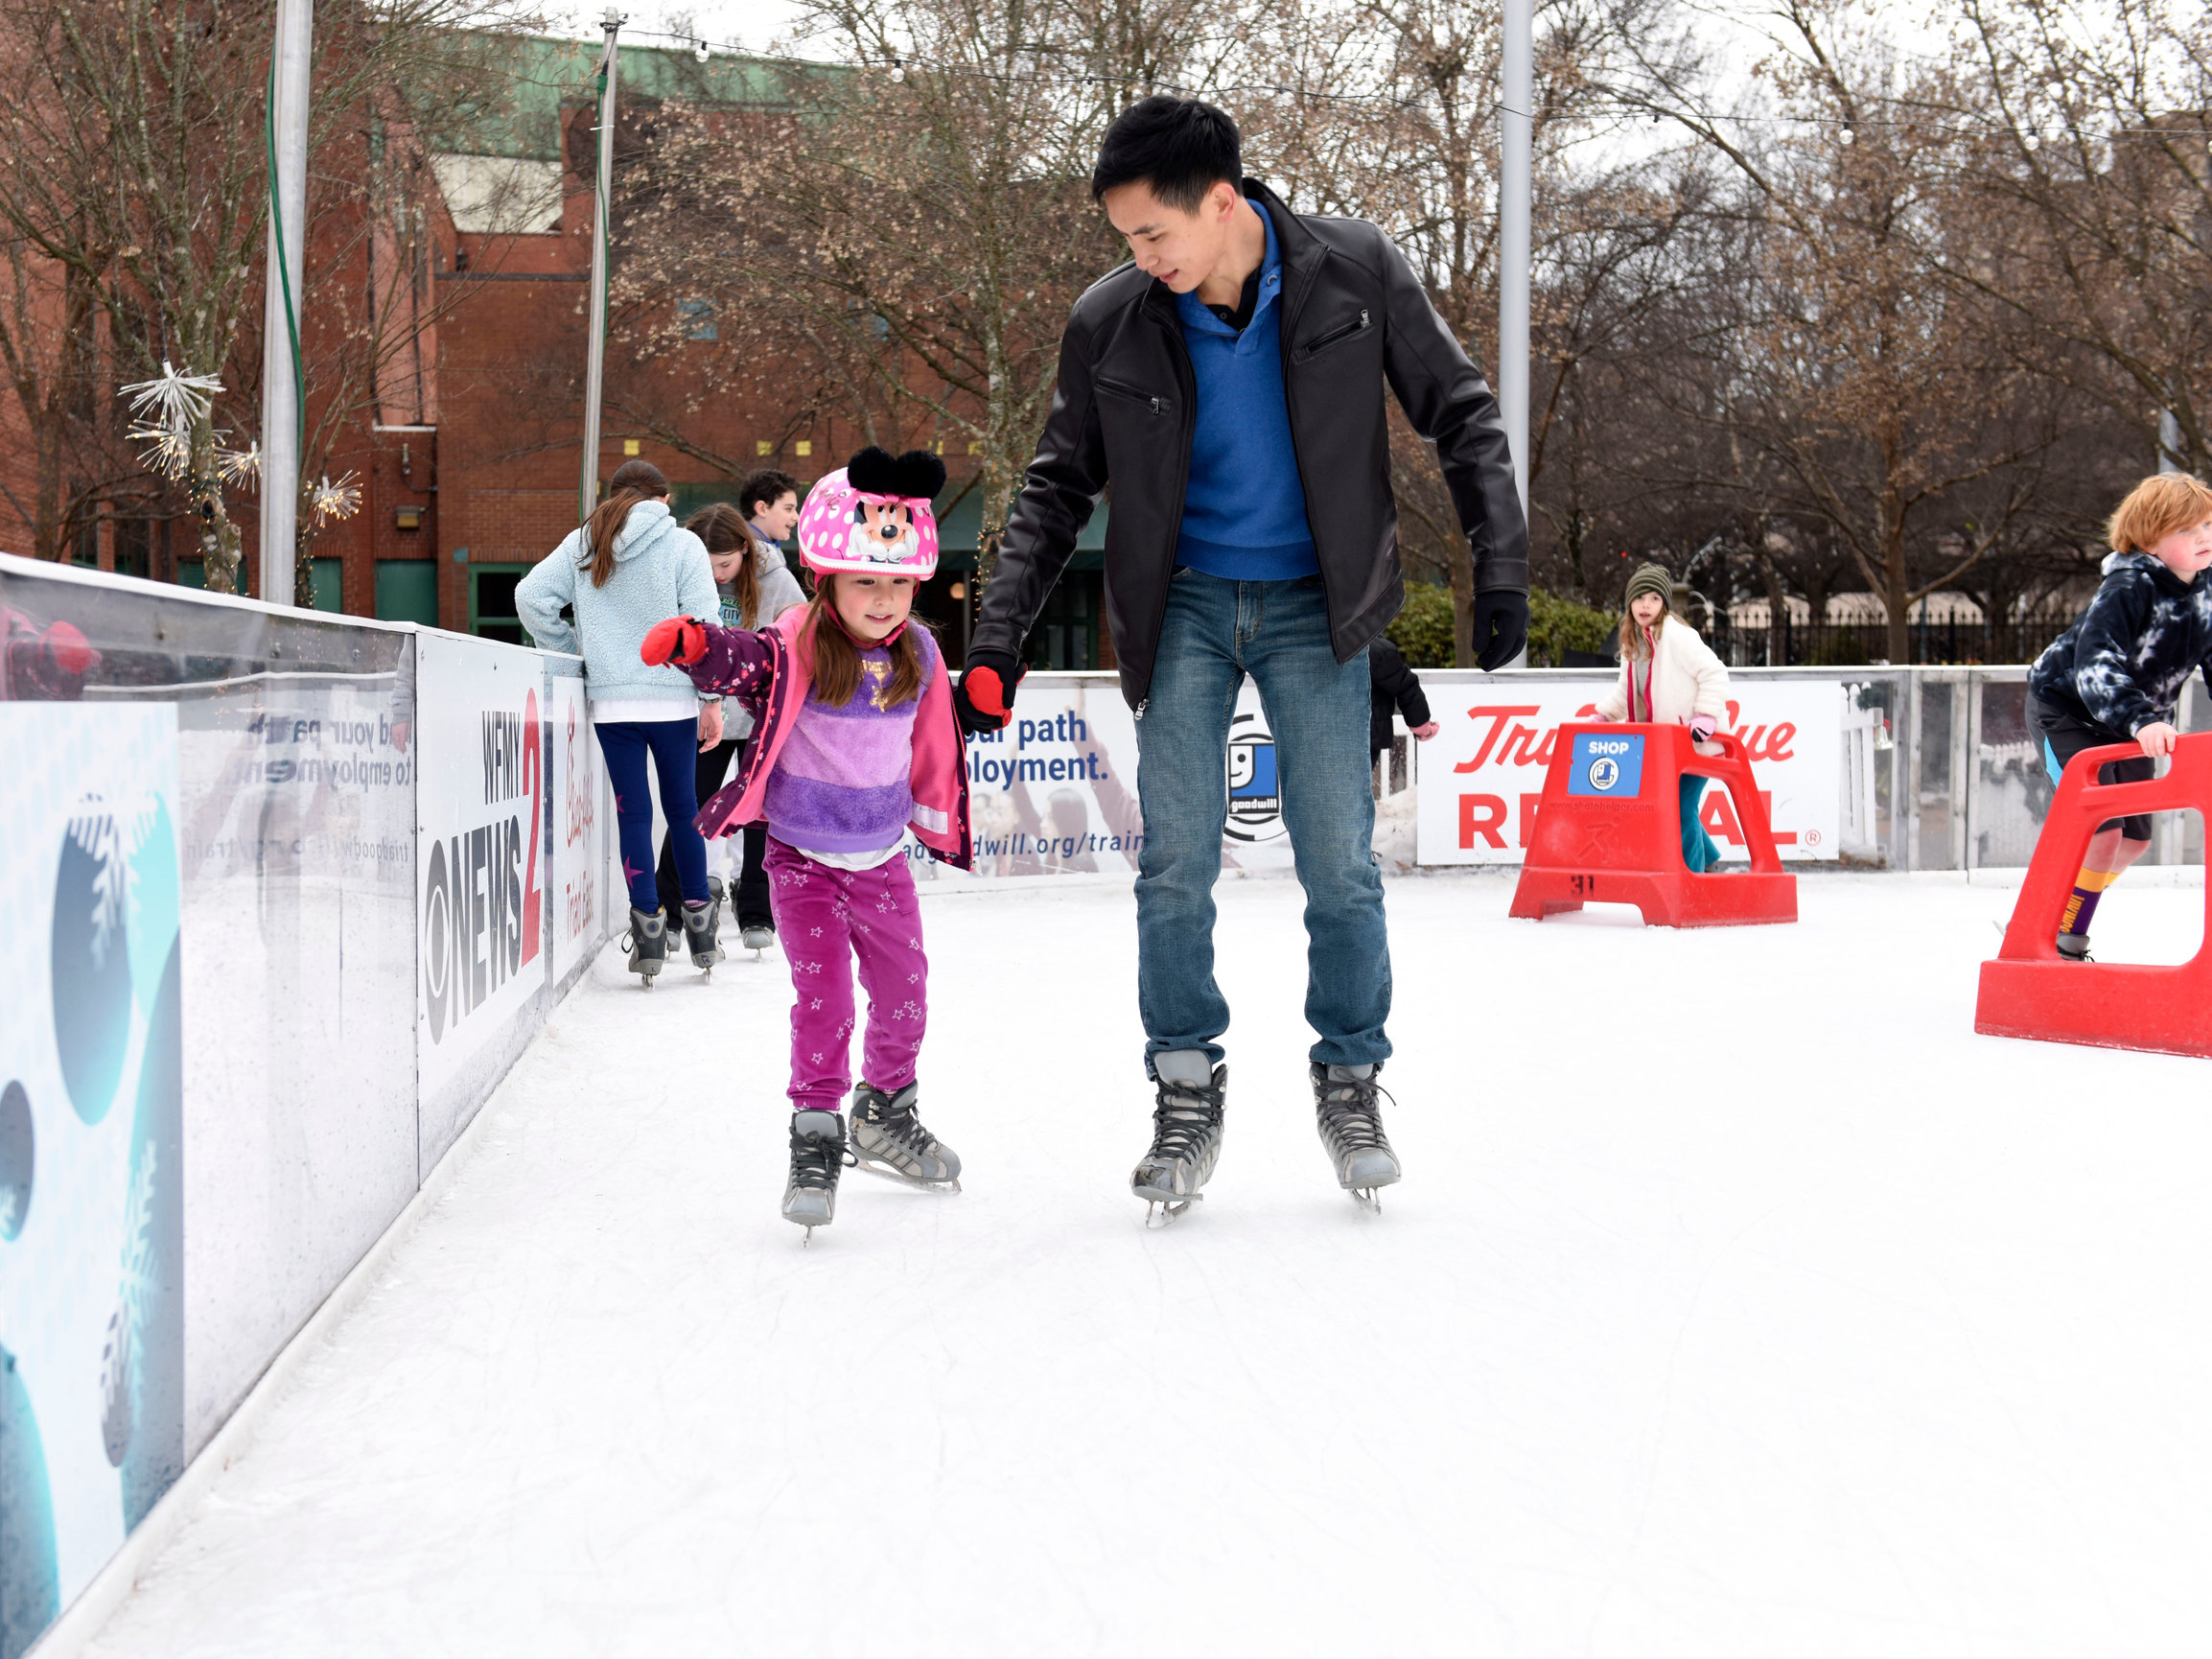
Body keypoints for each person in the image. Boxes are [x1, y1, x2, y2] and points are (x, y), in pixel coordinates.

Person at [949, 95, 1529, 1220]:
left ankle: (1350, 1073)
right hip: (1185, 611)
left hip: (1320, 604)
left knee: (1340, 862)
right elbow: (1055, 484)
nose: (1141, 257)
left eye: (1153, 234)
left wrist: (1499, 565)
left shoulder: (1353, 270)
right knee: (1174, 864)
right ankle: (1184, 1082)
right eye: (1126, 240)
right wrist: (996, 640)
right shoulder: (1112, 318)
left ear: (1222, 203)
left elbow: (1460, 409)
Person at [640, 447, 970, 1238]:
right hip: (800, 861)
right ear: (827, 579)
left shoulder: (918, 652)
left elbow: (942, 729)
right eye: (866, 582)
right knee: (824, 1006)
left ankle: (885, 1111)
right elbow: (744, 660)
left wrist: (984, 701)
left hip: (881, 857)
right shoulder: (794, 643)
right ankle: (815, 1136)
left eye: (897, 583)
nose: (884, 599)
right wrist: (696, 644)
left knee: (905, 997)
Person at [514, 459, 719, 982]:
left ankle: (649, 932)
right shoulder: (683, 546)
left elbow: (531, 597)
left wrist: (572, 653)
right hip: (673, 700)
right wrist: (712, 697)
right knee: (683, 811)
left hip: (612, 703)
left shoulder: (586, 541)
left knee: (634, 815)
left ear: (614, 496)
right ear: (664, 499)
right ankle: (699, 926)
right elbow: (705, 627)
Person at [2025, 472, 2212, 960]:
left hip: (2129, 724)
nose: (2203, 538)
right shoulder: (2128, 587)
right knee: (2101, 832)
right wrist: (2142, 719)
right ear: (2149, 540)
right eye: (2186, 531)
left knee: (2133, 842)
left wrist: (2138, 721)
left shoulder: (2207, 595)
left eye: (2208, 525)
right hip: (2067, 711)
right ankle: (2066, 942)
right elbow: (2095, 664)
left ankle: (2054, 910)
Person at [653, 481, 807, 949]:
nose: (717, 576)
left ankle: (757, 912)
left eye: (724, 565)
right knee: (689, 808)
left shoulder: (778, 581)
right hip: (703, 716)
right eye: (708, 566)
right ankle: (672, 909)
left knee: (760, 813)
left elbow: (802, 639)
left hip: (762, 718)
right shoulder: (684, 576)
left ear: (744, 549)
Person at [1588, 563, 1731, 871]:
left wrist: (1705, 717)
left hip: (1694, 742)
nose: (1646, 605)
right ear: (1630, 604)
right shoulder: (1633, 642)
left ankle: (1692, 877)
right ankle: (1712, 862)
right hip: (1662, 747)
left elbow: (1715, 673)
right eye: (1639, 598)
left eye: (1653, 598)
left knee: (1680, 807)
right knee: (1672, 807)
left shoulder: (1680, 637)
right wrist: (1603, 717)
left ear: (1664, 604)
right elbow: (1627, 692)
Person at [1366, 635, 1437, 782]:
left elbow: (1404, 685)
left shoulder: (1373, 649)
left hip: (1364, 736)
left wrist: (1420, 722)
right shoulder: (1372, 646)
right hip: (1363, 734)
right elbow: (1405, 685)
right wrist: (1420, 724)